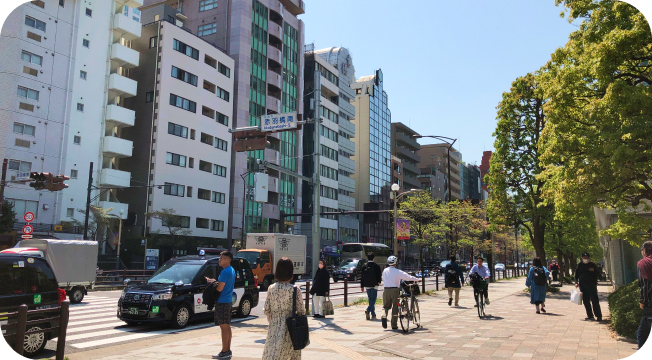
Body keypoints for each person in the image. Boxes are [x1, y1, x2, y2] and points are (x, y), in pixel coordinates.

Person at [262, 257, 305, 360]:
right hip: (291, 328)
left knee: (273, 354)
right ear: (291, 272)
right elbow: (301, 311)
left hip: (274, 326)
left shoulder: (271, 288)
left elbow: (267, 309)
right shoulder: (294, 290)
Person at [206, 251, 236, 360]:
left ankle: (224, 351)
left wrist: (211, 283)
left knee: (223, 327)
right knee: (227, 326)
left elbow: (220, 288)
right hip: (228, 300)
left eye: (221, 258)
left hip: (222, 301)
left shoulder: (225, 272)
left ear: (227, 260)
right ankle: (227, 349)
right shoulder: (231, 270)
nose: (219, 259)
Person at [381, 255, 419, 330]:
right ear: (395, 263)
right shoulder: (397, 271)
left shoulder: (385, 271)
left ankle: (384, 316)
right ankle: (394, 325)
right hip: (395, 290)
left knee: (385, 306)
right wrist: (417, 279)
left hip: (386, 290)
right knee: (395, 307)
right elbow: (407, 277)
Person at [575, 252, 602, 321]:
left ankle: (598, 316)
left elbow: (598, 274)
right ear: (581, 258)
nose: (585, 259)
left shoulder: (592, 265)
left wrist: (594, 270)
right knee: (586, 301)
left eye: (587, 258)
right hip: (583, 285)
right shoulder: (579, 265)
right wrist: (576, 282)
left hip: (592, 285)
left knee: (594, 300)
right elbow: (576, 275)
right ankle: (590, 316)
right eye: (584, 258)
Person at [637, 241, 652, 349]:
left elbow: (645, 284)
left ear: (645, 250)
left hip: (650, 305)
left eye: (642, 250)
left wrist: (643, 301)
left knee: (641, 335)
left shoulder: (644, 263)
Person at [360, 252, 382, 320]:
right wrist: (379, 282)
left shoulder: (364, 266)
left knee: (370, 299)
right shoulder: (376, 266)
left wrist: (362, 286)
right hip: (374, 284)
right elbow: (379, 275)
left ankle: (373, 314)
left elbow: (362, 276)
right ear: (373, 258)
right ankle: (368, 310)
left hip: (367, 284)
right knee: (373, 299)